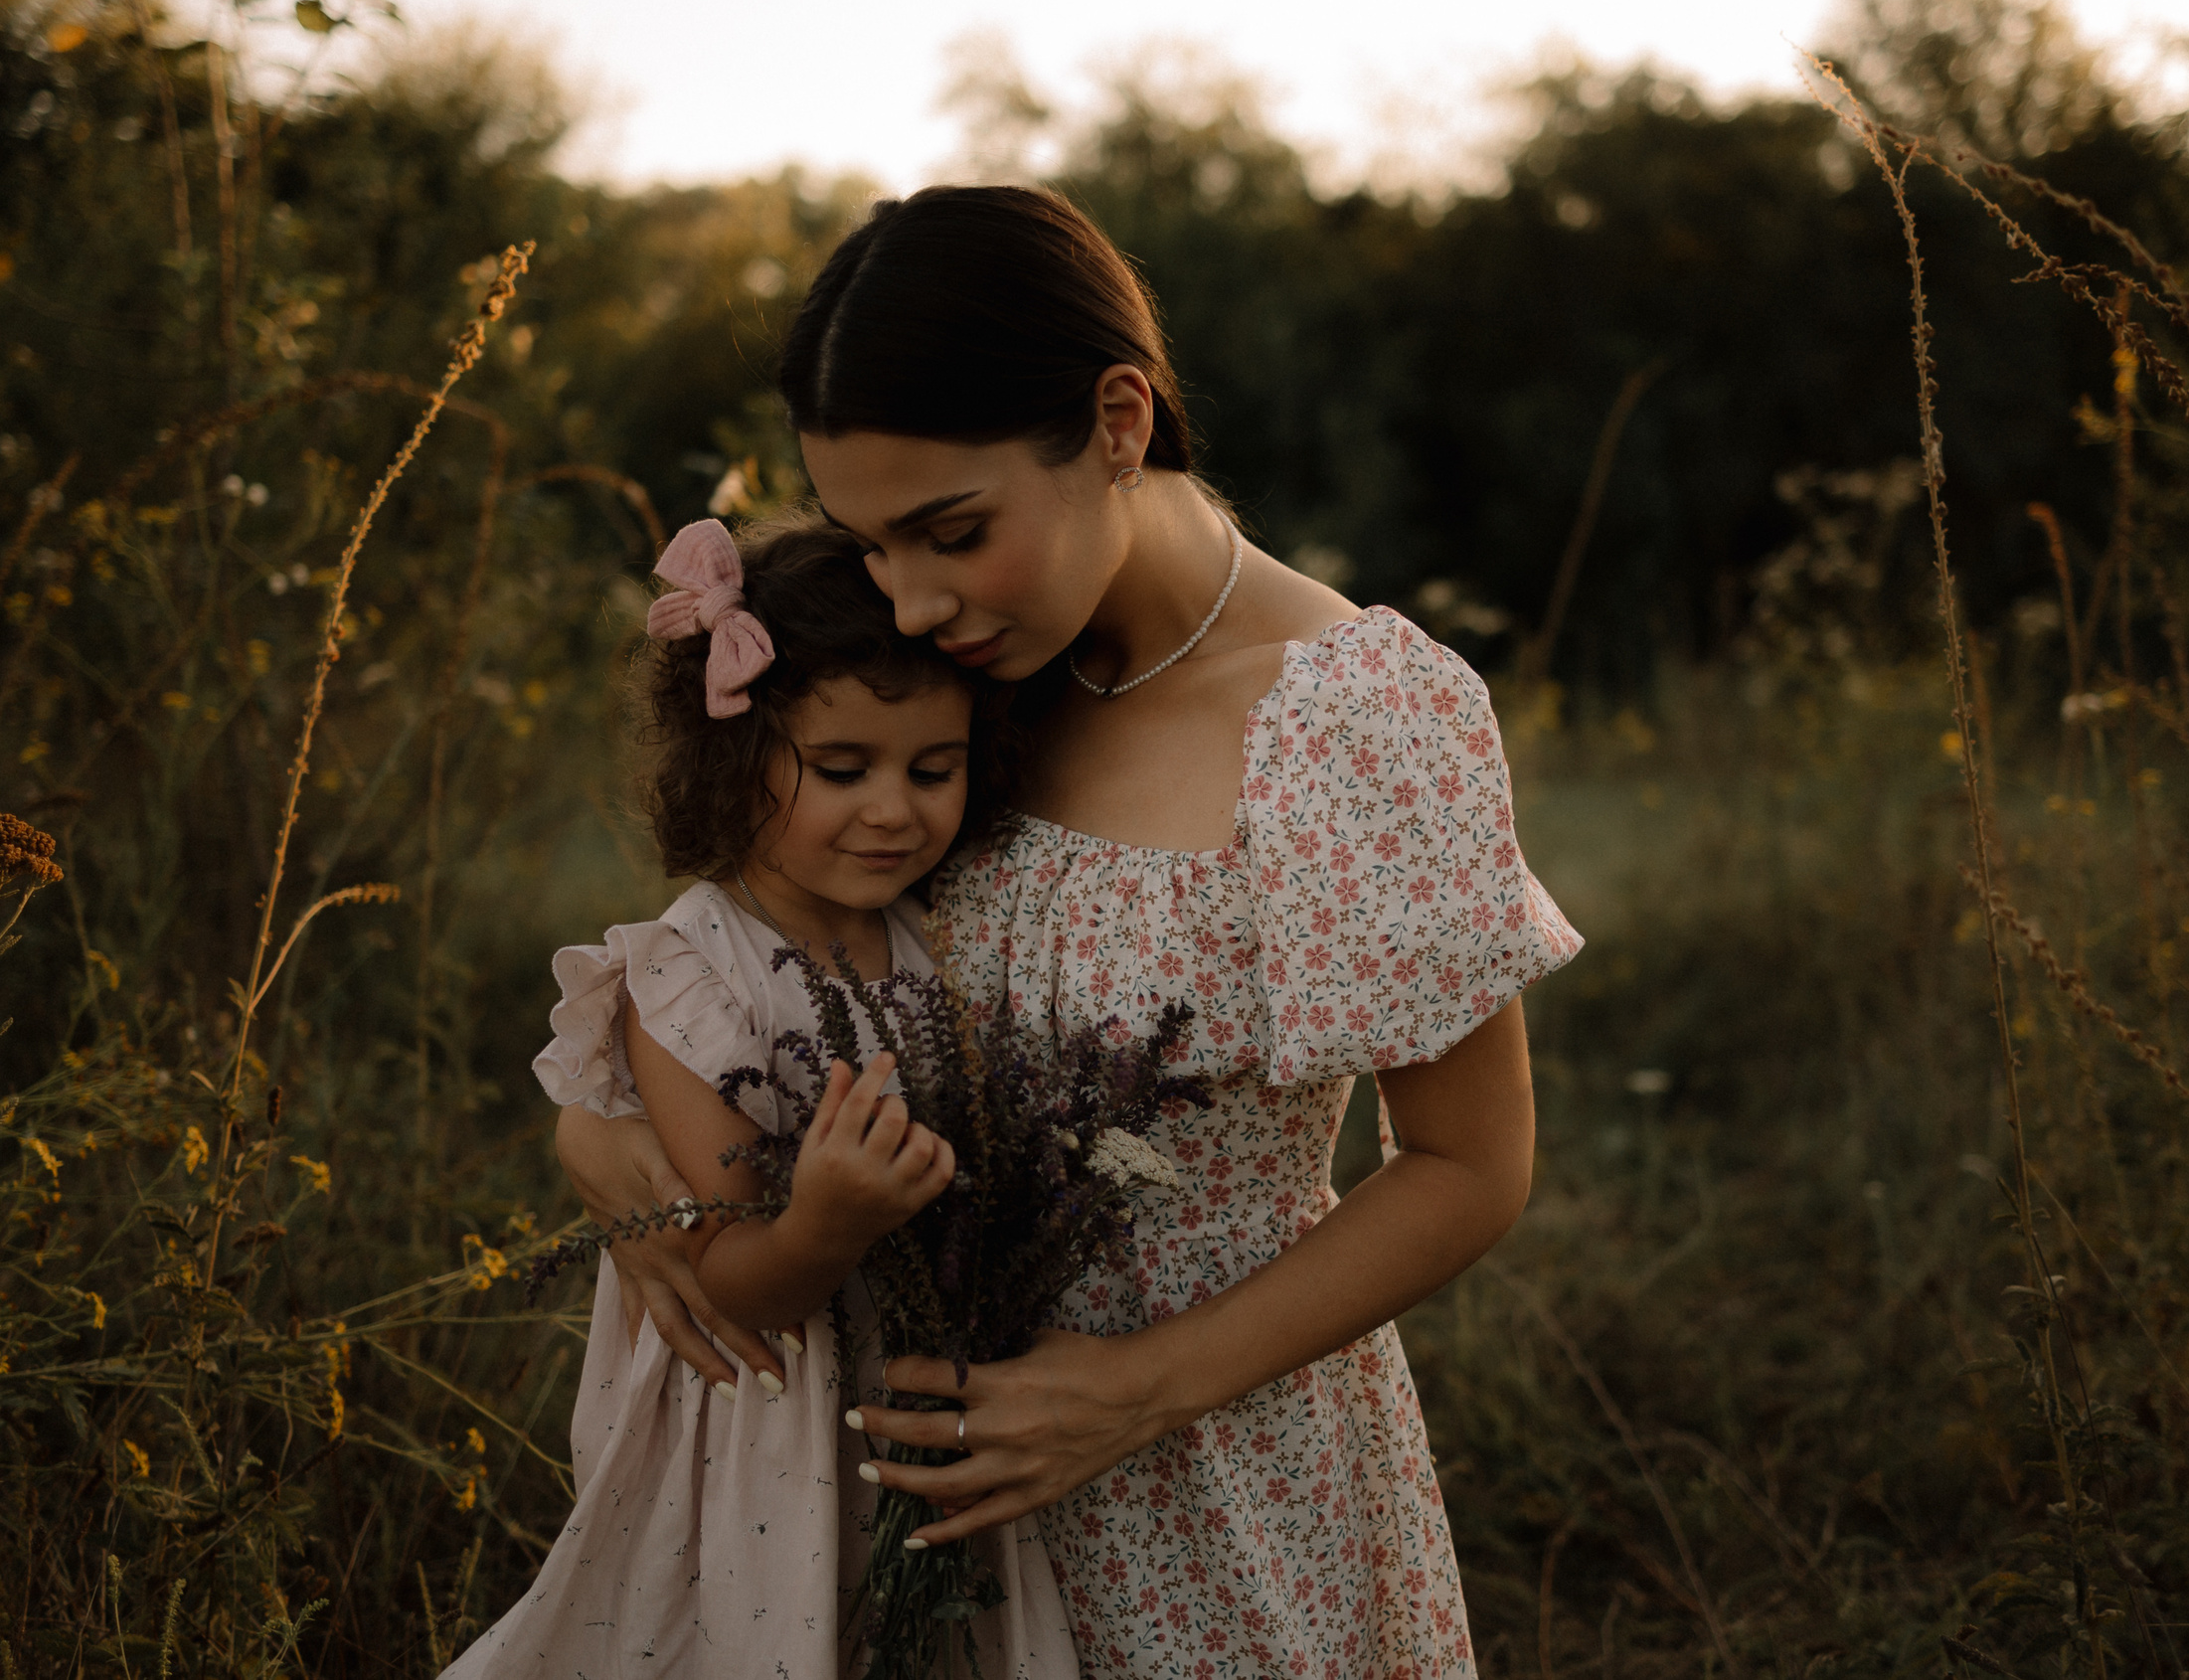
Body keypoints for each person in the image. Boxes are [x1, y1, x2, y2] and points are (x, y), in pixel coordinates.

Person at [557, 185, 1582, 1677]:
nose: (911, 601)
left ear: (1117, 419)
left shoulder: (1351, 716)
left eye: (951, 531)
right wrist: (602, 1119)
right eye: (870, 544)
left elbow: (1470, 1165)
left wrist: (1137, 1389)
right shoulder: (963, 690)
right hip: (895, 1485)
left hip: (1217, 1476)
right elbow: (760, 953)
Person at [453, 516, 1075, 1679]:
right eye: (842, 770)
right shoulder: (692, 979)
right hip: (765, 1428)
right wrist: (827, 1222)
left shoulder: (935, 936)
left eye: (931, 770)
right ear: (736, 759)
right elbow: (730, 1284)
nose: (892, 810)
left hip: (918, 1400)